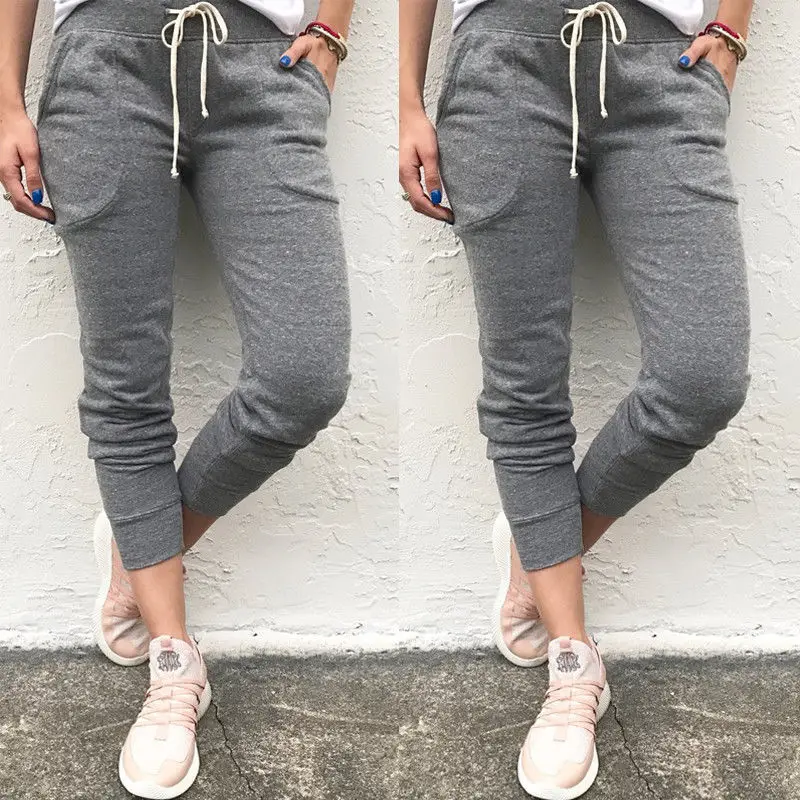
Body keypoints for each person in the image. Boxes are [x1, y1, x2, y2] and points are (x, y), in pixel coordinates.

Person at [0, 0, 353, 796]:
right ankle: (172, 661)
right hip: (104, 67)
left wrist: (332, 30)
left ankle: (142, 547)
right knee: (126, 379)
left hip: (265, 66)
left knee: (303, 378)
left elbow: (306, 383)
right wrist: (5, 100)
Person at [400, 0, 752, 796]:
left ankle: (541, 548)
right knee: (524, 382)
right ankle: (571, 662)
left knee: (702, 379)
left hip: (664, 63)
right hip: (503, 66)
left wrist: (732, 29)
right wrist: (408, 102)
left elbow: (704, 384)